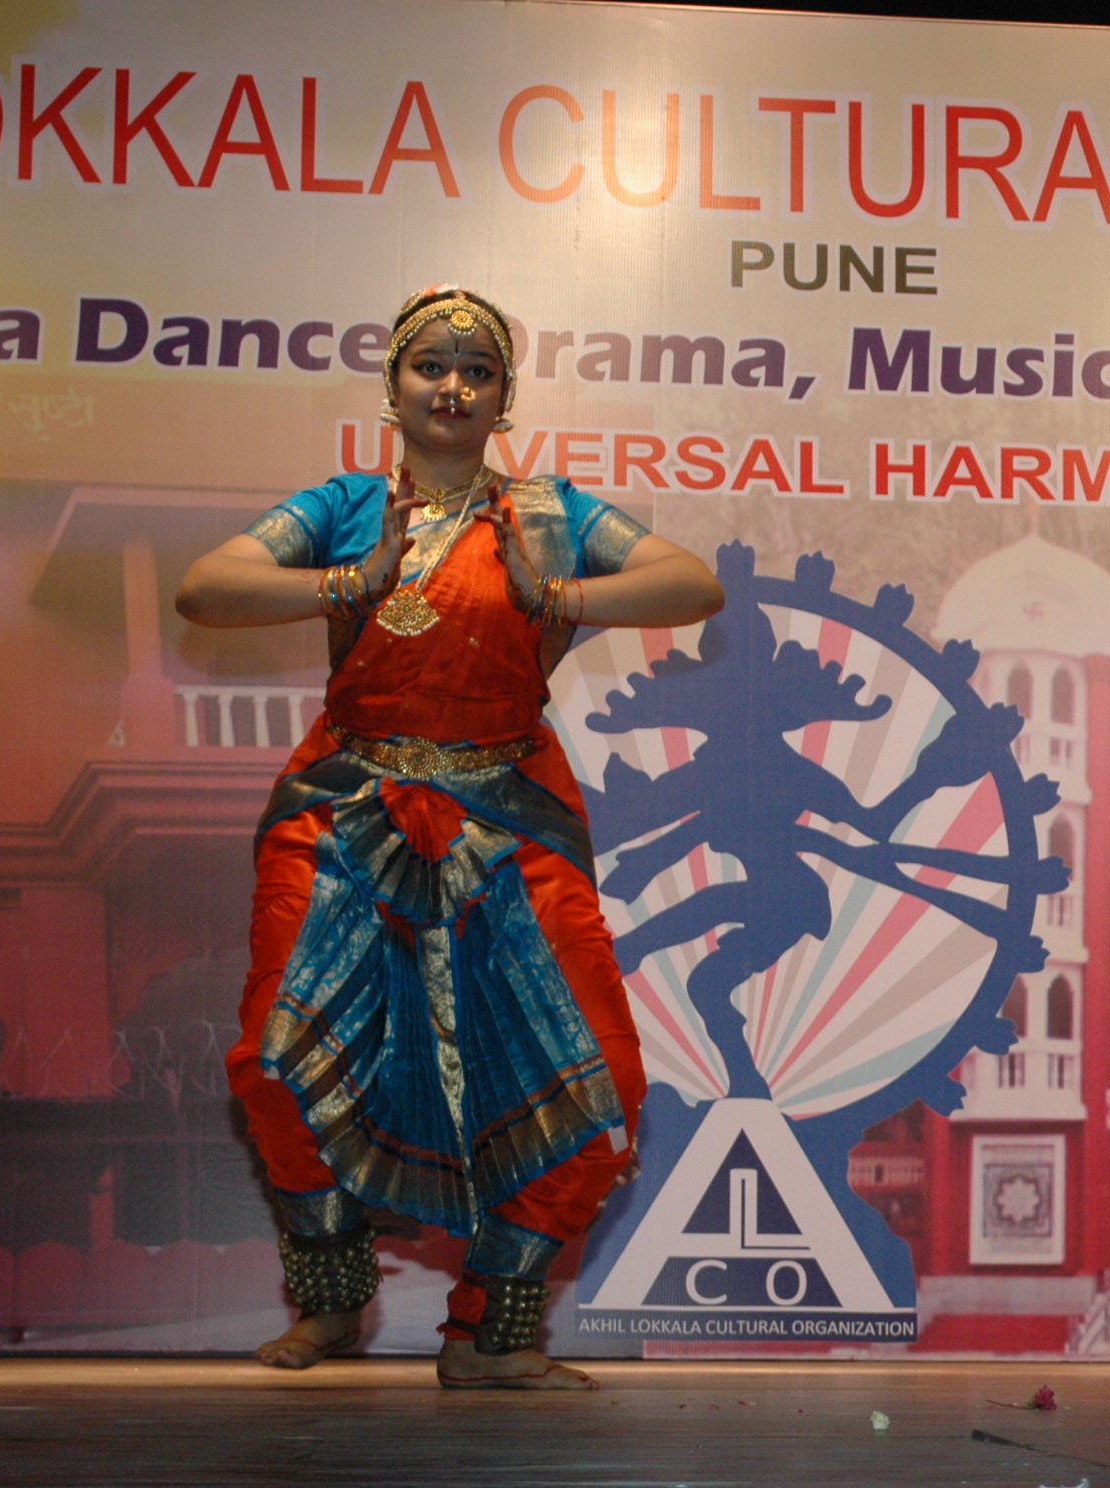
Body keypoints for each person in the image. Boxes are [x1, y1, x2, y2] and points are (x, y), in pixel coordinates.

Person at [177, 286, 725, 1389]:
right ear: (393, 386)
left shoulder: (547, 513)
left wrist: (552, 591)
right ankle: (332, 1299)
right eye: (431, 365)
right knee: (277, 1062)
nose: (454, 386)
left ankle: (493, 1333)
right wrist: (349, 581)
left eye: (478, 371)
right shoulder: (344, 506)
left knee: (599, 1079)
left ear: (503, 398)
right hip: (344, 811)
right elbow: (205, 588)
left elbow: (692, 582)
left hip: (508, 815)